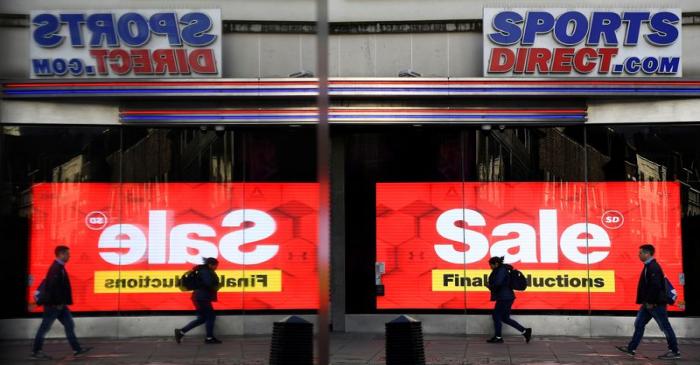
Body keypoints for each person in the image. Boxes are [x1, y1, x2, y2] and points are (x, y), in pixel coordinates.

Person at [616, 244, 681, 360]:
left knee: (665, 327)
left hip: (655, 304)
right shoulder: (648, 266)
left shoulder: (653, 267)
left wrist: (650, 301)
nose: (638, 255)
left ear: (647, 254)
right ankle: (631, 348)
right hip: (648, 304)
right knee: (639, 324)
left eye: (640, 253)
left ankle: (674, 351)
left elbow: (655, 286)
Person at [31, 245, 92, 360]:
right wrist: (56, 303)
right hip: (54, 306)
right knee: (44, 328)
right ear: (61, 254)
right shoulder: (56, 268)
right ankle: (36, 351)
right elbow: (51, 288)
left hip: (60, 305)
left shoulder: (60, 267)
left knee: (69, 325)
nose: (70, 256)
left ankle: (77, 349)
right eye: (68, 254)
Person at [174, 257, 222, 344]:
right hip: (202, 297)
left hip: (199, 297)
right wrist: (216, 285)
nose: (216, 268)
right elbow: (208, 284)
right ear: (210, 265)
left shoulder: (202, 270)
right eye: (215, 266)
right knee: (211, 317)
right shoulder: (205, 271)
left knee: (203, 318)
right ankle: (209, 338)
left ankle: (181, 332)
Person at [485, 256, 532, 343]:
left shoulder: (501, 270)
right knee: (505, 318)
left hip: (504, 297)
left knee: (496, 315)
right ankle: (525, 331)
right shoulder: (501, 269)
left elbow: (498, 283)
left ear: (496, 264)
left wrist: (490, 286)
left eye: (491, 265)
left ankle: (498, 337)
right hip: (506, 296)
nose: (490, 267)